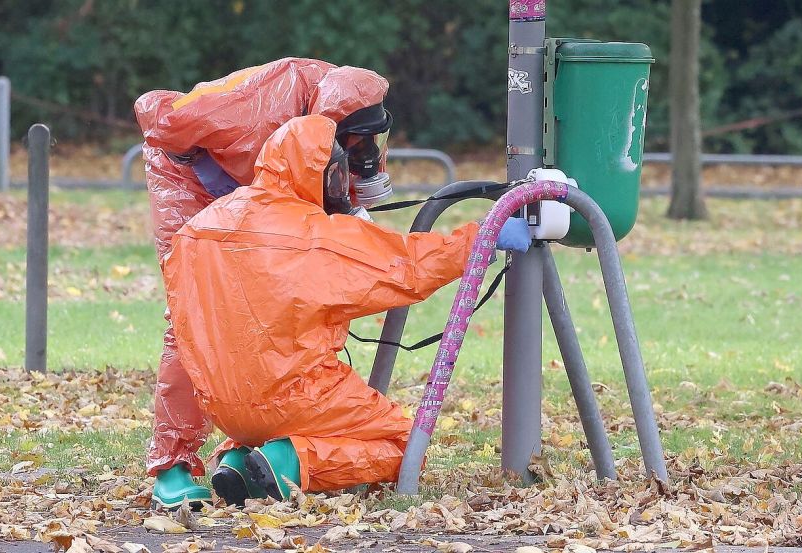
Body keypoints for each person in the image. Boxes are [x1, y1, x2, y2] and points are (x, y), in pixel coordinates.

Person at [162, 114, 532, 504]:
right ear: (319, 173)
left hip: (221, 404)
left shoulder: (197, 229)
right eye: (338, 175)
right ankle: (288, 462)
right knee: (405, 445)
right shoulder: (316, 235)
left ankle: (240, 463)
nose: (344, 187)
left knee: (289, 420)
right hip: (296, 395)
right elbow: (407, 267)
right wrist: (482, 238)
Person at [133, 58, 397, 509]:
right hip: (193, 184)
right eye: (357, 144)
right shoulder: (257, 106)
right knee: (194, 316)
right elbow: (158, 116)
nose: (368, 153)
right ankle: (173, 465)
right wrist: (220, 180)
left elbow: (335, 184)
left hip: (259, 191)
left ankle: (259, 449)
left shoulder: (351, 106)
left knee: (282, 306)